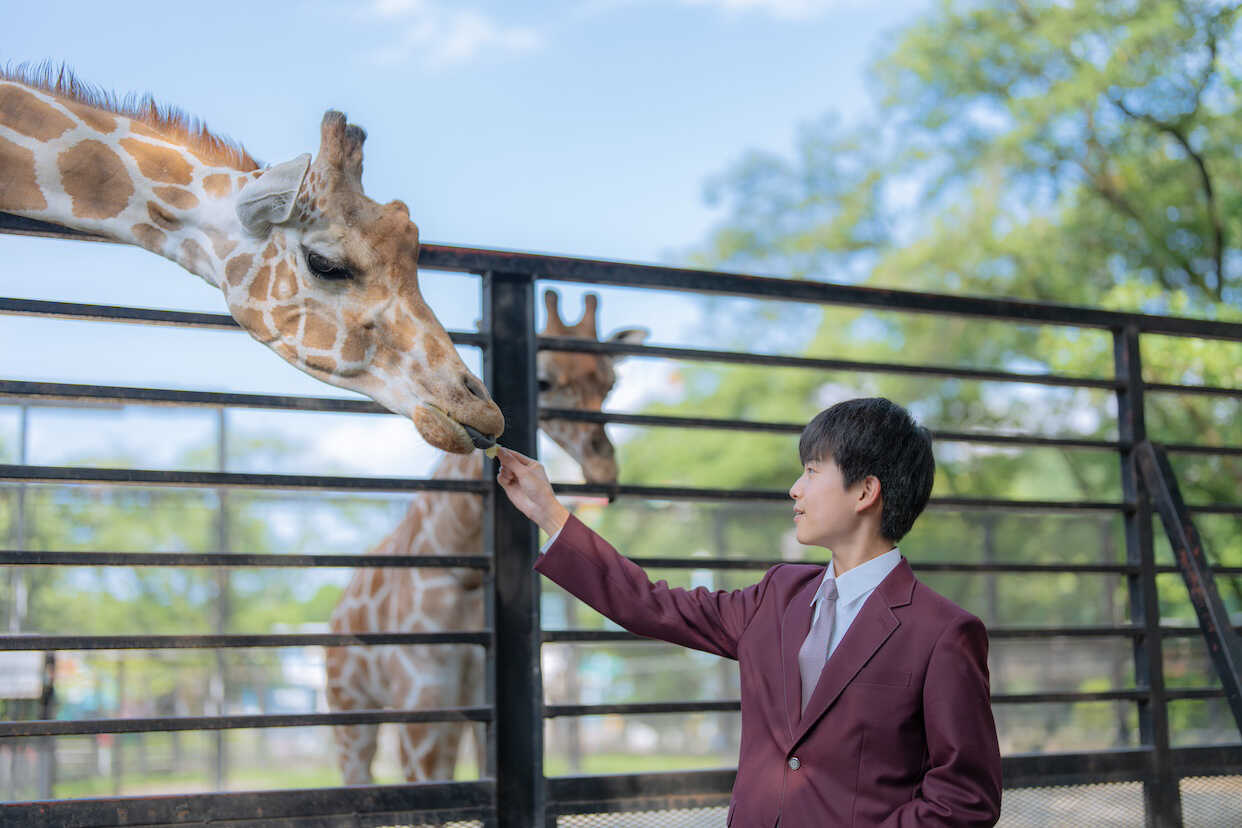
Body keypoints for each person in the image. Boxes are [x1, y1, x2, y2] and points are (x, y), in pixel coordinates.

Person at [495, 397, 1002, 827]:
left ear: (866, 492)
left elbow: (965, 798)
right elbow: (649, 604)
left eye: (811, 471)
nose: (795, 489)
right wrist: (549, 513)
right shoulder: (776, 596)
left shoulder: (943, 633)